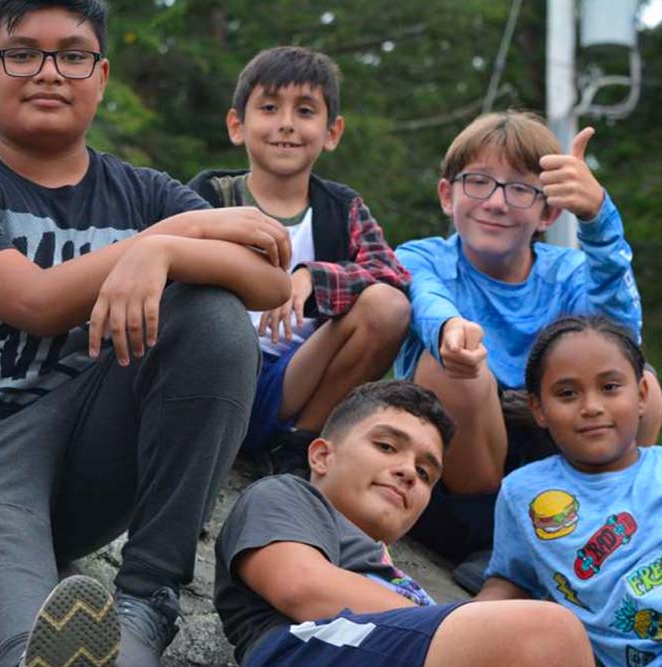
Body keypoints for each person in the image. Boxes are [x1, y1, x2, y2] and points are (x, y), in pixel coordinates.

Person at [0, 2, 292, 666]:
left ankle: (148, 595)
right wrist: (167, 240)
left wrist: (159, 253)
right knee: (24, 630)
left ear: (101, 76)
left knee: (212, 315)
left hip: (95, 442)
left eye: (73, 55)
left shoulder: (145, 193)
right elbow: (34, 299)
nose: (49, 72)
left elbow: (270, 283)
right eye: (21, 53)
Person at [394, 110, 662, 576]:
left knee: (642, 385)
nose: (496, 203)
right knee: (455, 369)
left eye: (520, 189)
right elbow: (425, 297)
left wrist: (598, 218)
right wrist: (450, 330)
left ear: (549, 212)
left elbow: (622, 338)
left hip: (556, 462)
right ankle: (491, 542)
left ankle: (610, 521)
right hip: (454, 481)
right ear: (446, 194)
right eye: (478, 181)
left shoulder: (568, 273)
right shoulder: (422, 257)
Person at [213, 379, 595, 667]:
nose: (409, 472)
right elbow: (301, 587)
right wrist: (465, 628)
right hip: (307, 648)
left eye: (426, 472)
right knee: (547, 634)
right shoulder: (285, 495)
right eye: (386, 446)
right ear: (322, 457)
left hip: (383, 644)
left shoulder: (396, 579)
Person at [188, 46, 411, 477]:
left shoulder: (341, 208)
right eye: (269, 108)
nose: (286, 124)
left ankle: (296, 446)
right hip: (211, 375)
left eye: (305, 111)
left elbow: (393, 278)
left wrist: (312, 278)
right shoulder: (212, 195)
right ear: (238, 124)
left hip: (294, 383)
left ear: (332, 132)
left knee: (388, 306)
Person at [478, 315, 662, 667]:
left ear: (641, 395)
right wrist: (455, 623)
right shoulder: (522, 492)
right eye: (567, 393)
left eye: (610, 387)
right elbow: (512, 579)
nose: (591, 407)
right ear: (539, 409)